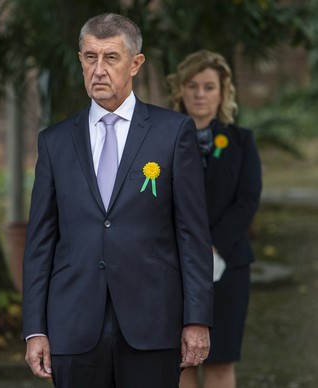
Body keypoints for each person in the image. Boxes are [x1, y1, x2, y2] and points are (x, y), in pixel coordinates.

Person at [22, 13, 214, 388]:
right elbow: (39, 242)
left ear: (135, 63)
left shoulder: (173, 133)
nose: (98, 69)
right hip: (73, 323)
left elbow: (193, 233)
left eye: (110, 57)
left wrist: (196, 319)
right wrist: (34, 328)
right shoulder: (55, 142)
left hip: (153, 323)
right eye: (90, 57)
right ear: (80, 61)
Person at [167, 50, 262, 388]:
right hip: (173, 266)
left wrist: (212, 244)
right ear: (180, 90)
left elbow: (248, 199)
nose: (200, 94)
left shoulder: (241, 141)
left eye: (209, 87)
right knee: (181, 362)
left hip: (228, 265)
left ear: (223, 92)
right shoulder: (160, 140)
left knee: (220, 360)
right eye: (192, 85)